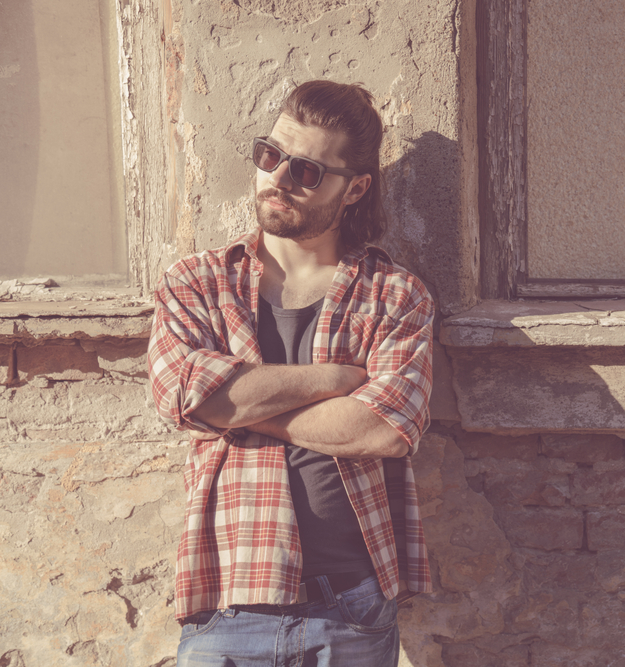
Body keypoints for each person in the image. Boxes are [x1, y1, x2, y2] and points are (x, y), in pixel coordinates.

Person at [147, 80, 433, 667]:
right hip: (228, 601)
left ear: (354, 188)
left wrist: (240, 411)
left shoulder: (396, 296)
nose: (277, 177)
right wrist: (331, 379)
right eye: (271, 155)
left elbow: (383, 431)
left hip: (353, 603)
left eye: (306, 171)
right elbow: (183, 397)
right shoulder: (197, 284)